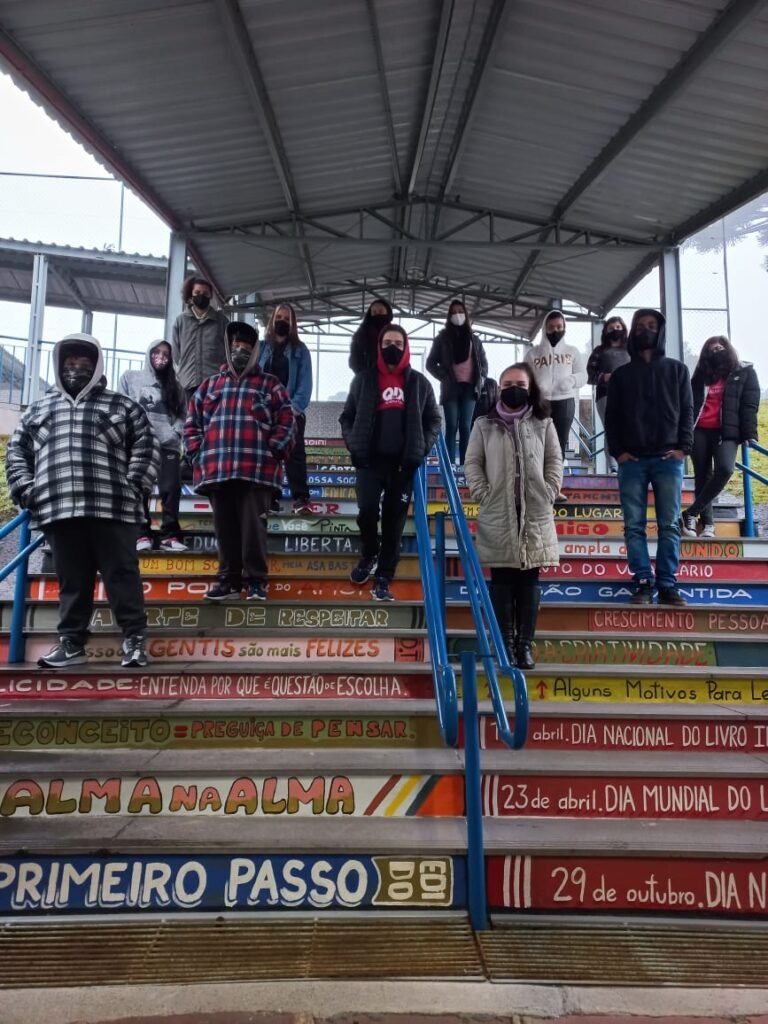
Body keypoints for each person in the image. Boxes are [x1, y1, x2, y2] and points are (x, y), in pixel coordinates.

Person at [6, 334, 159, 668]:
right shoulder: (39, 409)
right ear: (60, 366)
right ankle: (72, 643)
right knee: (72, 581)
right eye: (70, 364)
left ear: (97, 366)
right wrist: (28, 490)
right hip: (59, 509)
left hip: (113, 508)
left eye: (83, 364)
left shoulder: (122, 406)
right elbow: (17, 452)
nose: (76, 369)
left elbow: (146, 447)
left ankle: (134, 640)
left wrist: (134, 487)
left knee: (122, 575)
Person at [184, 321, 295, 602]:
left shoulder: (271, 384)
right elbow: (191, 423)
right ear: (227, 348)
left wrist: (275, 449)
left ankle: (256, 580)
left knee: (253, 530)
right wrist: (197, 452)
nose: (240, 351)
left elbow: (287, 421)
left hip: (257, 471)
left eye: (246, 346)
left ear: (256, 350)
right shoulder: (209, 385)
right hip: (217, 470)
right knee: (225, 530)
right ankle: (228, 580)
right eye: (235, 346)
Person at [465, 363, 562, 669]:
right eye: (507, 383)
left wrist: (550, 489)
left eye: (519, 383)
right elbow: (472, 462)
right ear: (498, 388)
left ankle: (524, 645)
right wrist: (483, 493)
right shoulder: (483, 424)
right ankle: (505, 644)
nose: (513, 388)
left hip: (535, 510)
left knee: (530, 579)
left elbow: (554, 459)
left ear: (530, 387)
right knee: (503, 579)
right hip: (498, 510)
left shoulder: (543, 423)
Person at [340, 324, 441, 602]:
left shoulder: (420, 383)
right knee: (367, 511)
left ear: (406, 346)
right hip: (369, 463)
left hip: (403, 466)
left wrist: (421, 448)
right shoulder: (363, 380)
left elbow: (433, 419)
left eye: (398, 342)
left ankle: (384, 576)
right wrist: (353, 442)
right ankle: (369, 553)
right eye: (387, 342)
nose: (392, 347)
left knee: (394, 522)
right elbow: (347, 416)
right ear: (379, 346)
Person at [605, 309, 693, 607]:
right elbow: (612, 418)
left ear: (661, 331)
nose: (646, 330)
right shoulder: (621, 376)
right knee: (633, 525)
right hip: (633, 462)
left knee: (669, 524)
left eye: (652, 326)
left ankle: (667, 583)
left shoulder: (678, 370)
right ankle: (642, 581)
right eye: (640, 326)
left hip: (669, 459)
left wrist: (684, 447)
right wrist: (618, 452)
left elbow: (687, 412)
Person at [681, 336, 760, 540]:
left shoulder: (744, 372)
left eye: (721, 347)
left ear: (729, 349)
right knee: (702, 476)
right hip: (699, 431)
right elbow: (688, 405)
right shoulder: (699, 376)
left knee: (725, 468)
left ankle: (691, 512)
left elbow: (750, 404)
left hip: (727, 432)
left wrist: (749, 433)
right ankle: (708, 526)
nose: (717, 351)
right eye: (712, 349)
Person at [119, 340, 187, 552]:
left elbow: (183, 415)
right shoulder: (130, 377)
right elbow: (122, 406)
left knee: (171, 489)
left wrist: (174, 432)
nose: (161, 356)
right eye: (157, 352)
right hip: (140, 443)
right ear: (149, 353)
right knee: (139, 487)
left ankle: (170, 535)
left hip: (168, 444)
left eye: (166, 353)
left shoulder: (175, 385)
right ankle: (141, 534)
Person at [258, 304, 314, 515]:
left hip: (291, 411)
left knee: (294, 454)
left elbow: (305, 384)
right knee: (267, 454)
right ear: (272, 320)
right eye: (279, 317)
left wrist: (294, 409)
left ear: (292, 324)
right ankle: (270, 497)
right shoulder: (261, 348)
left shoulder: (301, 350)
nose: (282, 321)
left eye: (287, 318)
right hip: (265, 411)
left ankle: (301, 499)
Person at [525, 310, 587, 495]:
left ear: (564, 327)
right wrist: (536, 387)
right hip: (541, 402)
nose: (555, 330)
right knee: (538, 443)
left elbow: (584, 375)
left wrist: (572, 381)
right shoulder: (533, 354)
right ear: (545, 329)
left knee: (558, 444)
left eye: (559, 327)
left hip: (564, 401)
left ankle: (554, 487)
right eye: (551, 327)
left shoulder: (572, 352)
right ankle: (537, 484)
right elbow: (524, 376)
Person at [426, 300, 488, 468]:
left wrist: (480, 380)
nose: (457, 315)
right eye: (454, 312)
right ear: (449, 316)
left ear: (466, 314)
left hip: (470, 388)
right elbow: (430, 363)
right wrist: (445, 376)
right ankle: (449, 463)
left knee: (466, 426)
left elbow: (483, 365)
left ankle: (466, 464)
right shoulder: (442, 339)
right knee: (452, 424)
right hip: (451, 389)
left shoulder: (474, 340)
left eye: (460, 311)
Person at [172, 275, 229, 398]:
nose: (201, 296)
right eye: (197, 292)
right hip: (187, 384)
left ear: (210, 296)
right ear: (190, 294)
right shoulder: (180, 321)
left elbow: (229, 352)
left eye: (205, 293)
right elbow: (175, 354)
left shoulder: (222, 322)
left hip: (215, 385)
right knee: (189, 417)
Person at [586, 316, 629, 470]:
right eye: (611, 328)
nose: (615, 330)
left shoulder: (631, 350)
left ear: (623, 329)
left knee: (629, 427)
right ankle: (613, 465)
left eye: (618, 327)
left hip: (629, 395)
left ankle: (628, 461)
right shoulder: (599, 351)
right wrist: (603, 377)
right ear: (605, 332)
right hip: (606, 394)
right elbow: (589, 375)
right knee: (611, 427)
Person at [349, 299, 393, 373]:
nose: (377, 314)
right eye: (374, 312)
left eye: (381, 311)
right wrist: (363, 375)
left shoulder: (394, 332)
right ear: (370, 314)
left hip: (390, 376)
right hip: (366, 376)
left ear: (387, 313)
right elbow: (355, 358)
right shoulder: (361, 333)